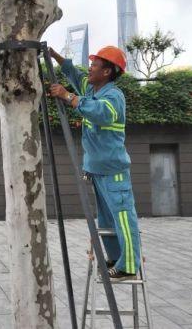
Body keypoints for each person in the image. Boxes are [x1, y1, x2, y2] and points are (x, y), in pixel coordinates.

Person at [49, 46, 141, 281]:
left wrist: (67, 96)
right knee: (107, 219)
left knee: (122, 216)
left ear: (108, 71)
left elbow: (100, 113)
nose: (90, 69)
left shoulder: (113, 97)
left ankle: (129, 265)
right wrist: (55, 56)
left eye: (95, 66)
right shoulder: (92, 89)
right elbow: (74, 74)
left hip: (114, 172)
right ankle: (114, 258)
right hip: (98, 171)